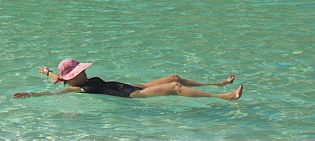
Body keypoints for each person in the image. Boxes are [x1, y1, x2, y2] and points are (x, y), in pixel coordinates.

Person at [13, 59, 241, 100]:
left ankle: (216, 84)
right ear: (73, 77)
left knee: (174, 76)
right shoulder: (75, 89)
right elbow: (55, 92)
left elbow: (60, 80)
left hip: (126, 85)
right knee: (175, 87)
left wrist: (48, 72)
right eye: (79, 72)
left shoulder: (71, 81)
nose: (84, 73)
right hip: (131, 94)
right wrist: (31, 94)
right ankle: (223, 96)